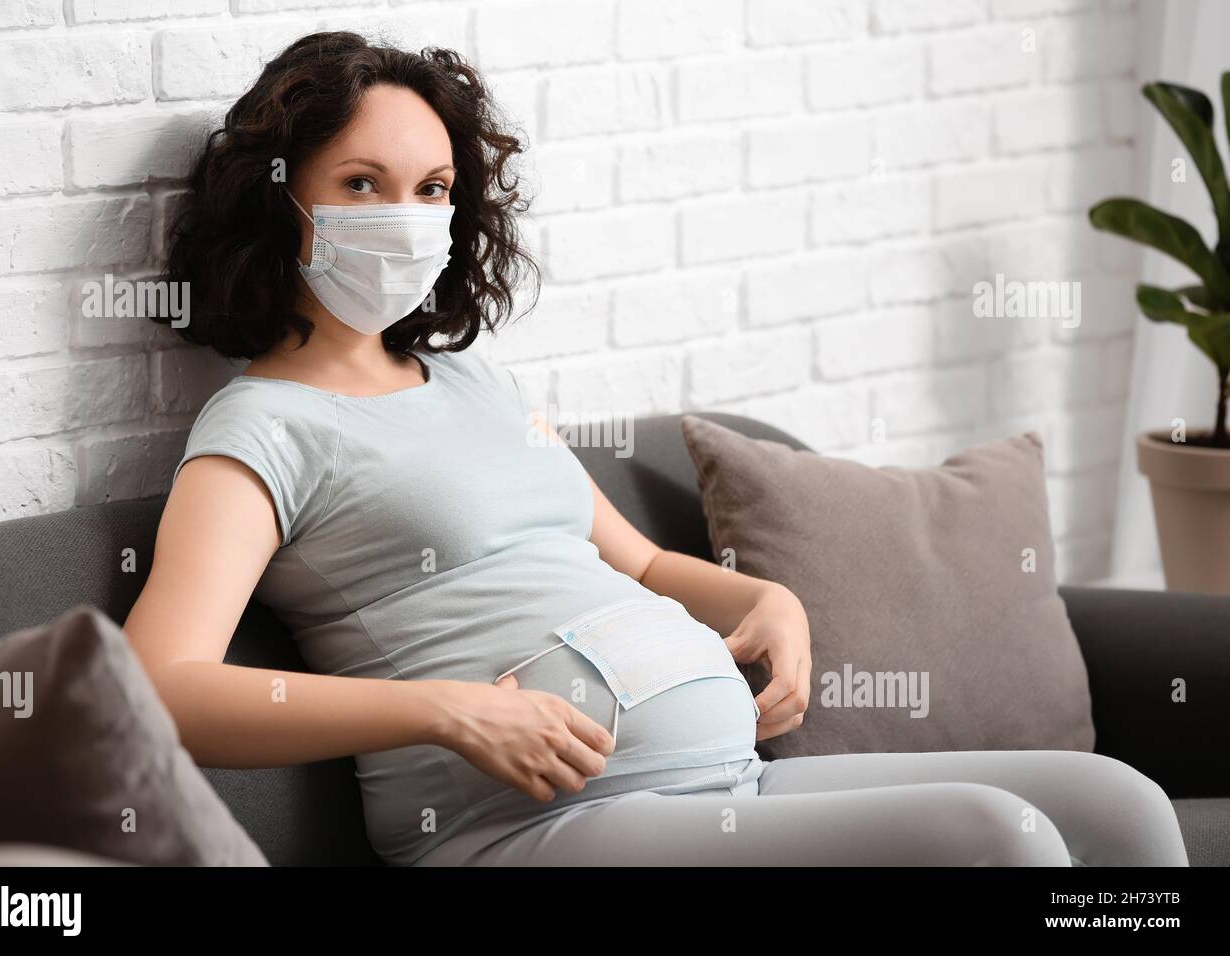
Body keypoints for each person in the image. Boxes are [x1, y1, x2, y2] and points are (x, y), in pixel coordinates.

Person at [123, 31, 1189, 868]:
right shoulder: (262, 427)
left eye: (433, 190)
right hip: (527, 828)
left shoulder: (477, 381)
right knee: (999, 846)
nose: (405, 217)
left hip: (721, 784)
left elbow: (632, 562)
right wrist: (449, 709)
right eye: (362, 183)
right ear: (280, 201)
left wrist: (765, 603)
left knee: (1121, 802)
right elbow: (162, 684)